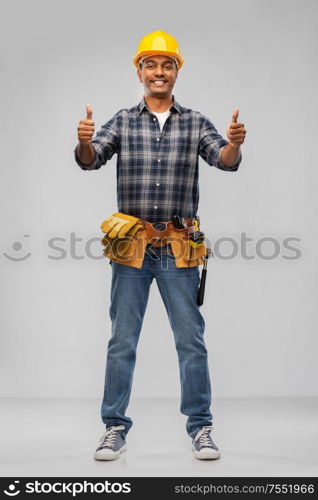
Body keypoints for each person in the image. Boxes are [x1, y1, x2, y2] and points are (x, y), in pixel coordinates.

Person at [74, 30, 246, 461]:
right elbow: (92, 158)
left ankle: (201, 428)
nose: (159, 71)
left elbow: (222, 160)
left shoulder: (195, 122)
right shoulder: (123, 120)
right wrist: (82, 140)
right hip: (131, 249)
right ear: (140, 71)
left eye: (167, 65)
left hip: (178, 247)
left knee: (191, 340)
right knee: (122, 340)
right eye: (151, 64)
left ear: (176, 72)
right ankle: (114, 427)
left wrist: (234, 146)